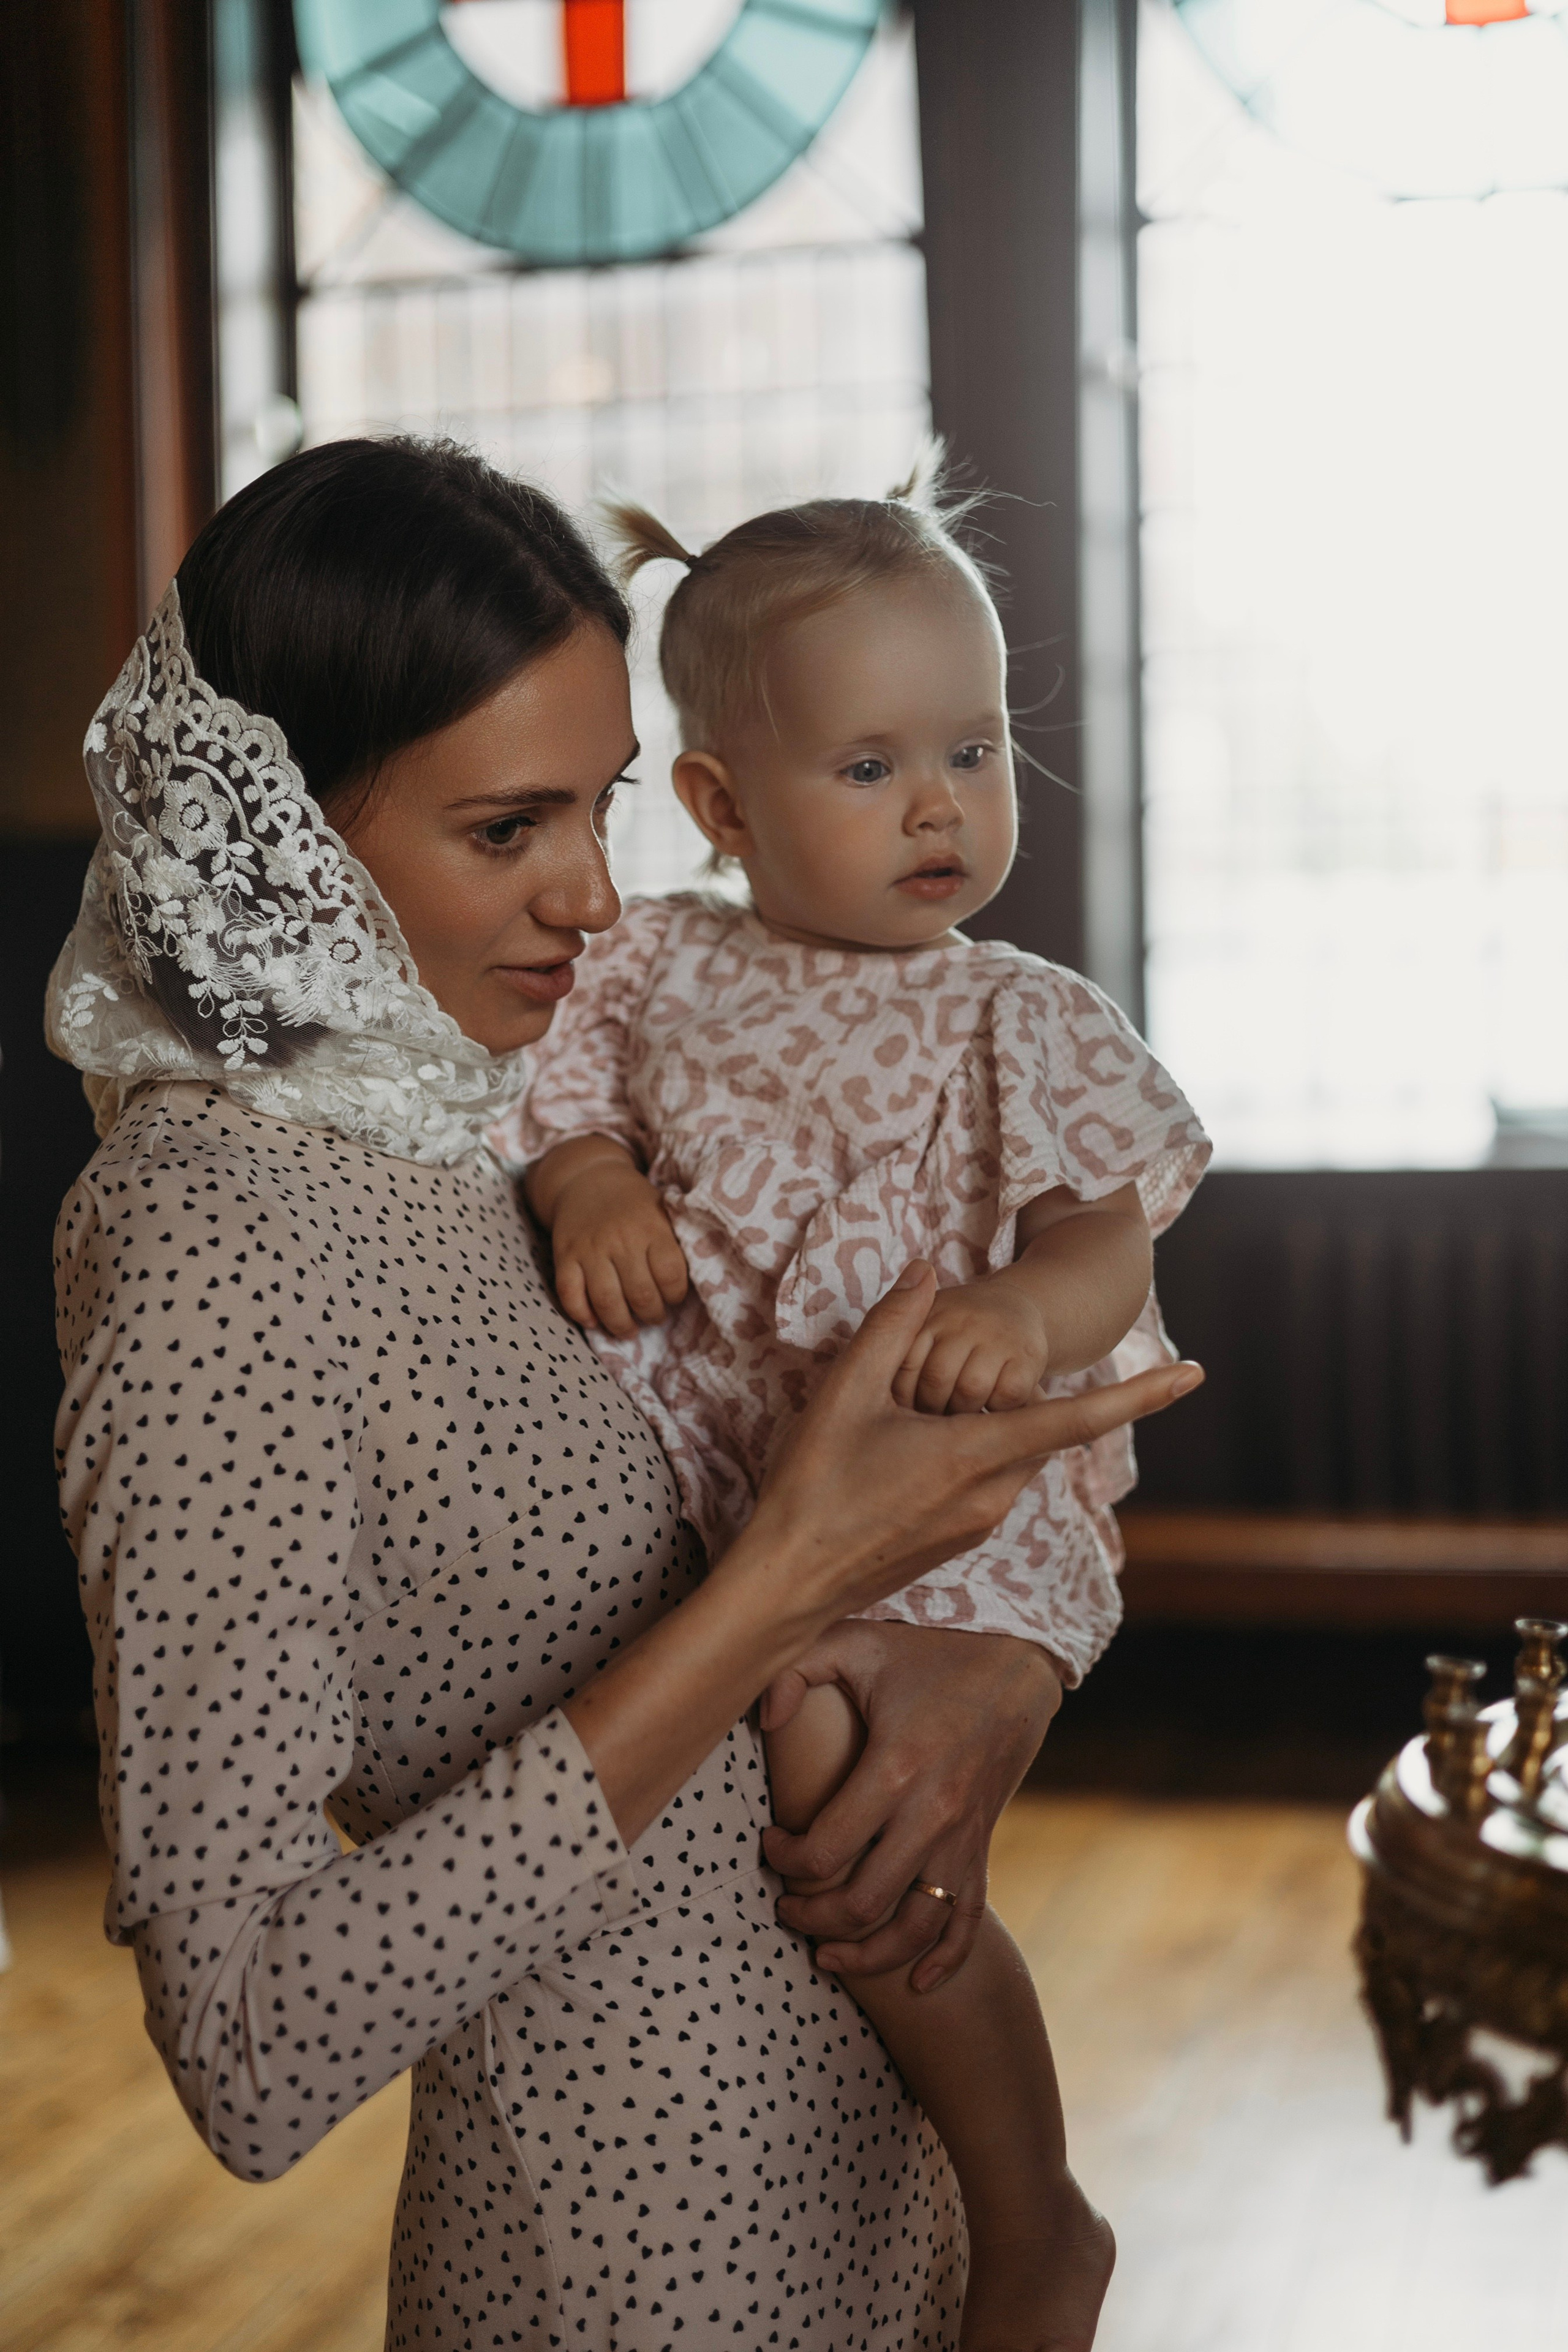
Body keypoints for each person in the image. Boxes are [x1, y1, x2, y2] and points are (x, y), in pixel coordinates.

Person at [47, 437, 1202, 2352]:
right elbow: (251, 2044)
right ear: (276, 827)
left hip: (885, 2203)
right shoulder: (212, 1234)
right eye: (509, 829)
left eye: (597, 808)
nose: (595, 898)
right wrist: (791, 1584)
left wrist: (999, 1673)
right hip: (633, 2271)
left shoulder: (490, 1097)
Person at [505, 464, 1211, 2349]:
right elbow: (558, 1107)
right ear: (722, 808)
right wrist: (591, 1187)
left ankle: (1031, 2211)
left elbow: (1106, 1234)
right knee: (797, 1762)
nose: (942, 807)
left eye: (975, 751)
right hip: (763, 1490)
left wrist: (1020, 1310)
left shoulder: (1016, 1016)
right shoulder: (653, 967)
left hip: (968, 1495)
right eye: (874, 766)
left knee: (846, 1813)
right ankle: (928, 2181)